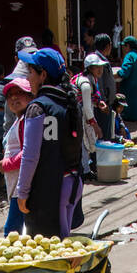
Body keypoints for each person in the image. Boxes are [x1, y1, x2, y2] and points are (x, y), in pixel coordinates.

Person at [13, 47, 84, 242]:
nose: (28, 78)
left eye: (30, 72)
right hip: (72, 185)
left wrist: (22, 192)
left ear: (43, 75)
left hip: (49, 192)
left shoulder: (37, 108)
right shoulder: (71, 104)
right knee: (62, 245)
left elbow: (30, 155)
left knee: (48, 254)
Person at [0, 77, 33, 236]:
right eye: (10, 95)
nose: (14, 98)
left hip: (22, 185)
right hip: (15, 185)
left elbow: (29, 151)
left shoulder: (27, 120)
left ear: (30, 96)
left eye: (19, 93)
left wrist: (7, 164)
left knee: (11, 231)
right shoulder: (19, 120)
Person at [73, 54, 108, 173]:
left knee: (85, 143)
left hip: (83, 114)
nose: (100, 69)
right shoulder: (86, 84)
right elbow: (87, 108)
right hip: (78, 115)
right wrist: (96, 126)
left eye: (100, 67)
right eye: (96, 67)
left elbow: (90, 101)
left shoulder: (92, 80)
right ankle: (85, 171)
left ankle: (86, 168)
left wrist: (98, 103)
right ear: (89, 69)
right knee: (84, 142)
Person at [116, 37, 137, 143]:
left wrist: (116, 73)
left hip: (131, 93)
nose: (123, 49)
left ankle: (126, 143)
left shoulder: (129, 56)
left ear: (128, 46)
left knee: (125, 119)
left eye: (124, 46)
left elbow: (124, 72)